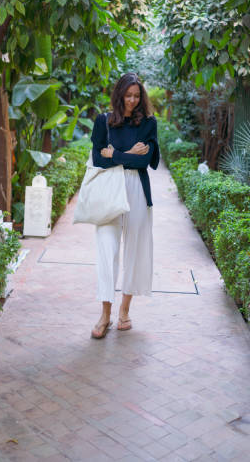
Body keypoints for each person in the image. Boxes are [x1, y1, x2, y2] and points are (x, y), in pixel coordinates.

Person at [90, 72, 159, 339]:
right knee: (107, 251)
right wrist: (129, 155)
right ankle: (105, 314)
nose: (132, 100)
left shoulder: (148, 124)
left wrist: (117, 155)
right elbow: (97, 159)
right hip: (109, 190)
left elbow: (145, 162)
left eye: (136, 95)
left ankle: (125, 311)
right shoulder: (103, 122)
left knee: (135, 251)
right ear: (119, 95)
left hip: (137, 191)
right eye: (128, 95)